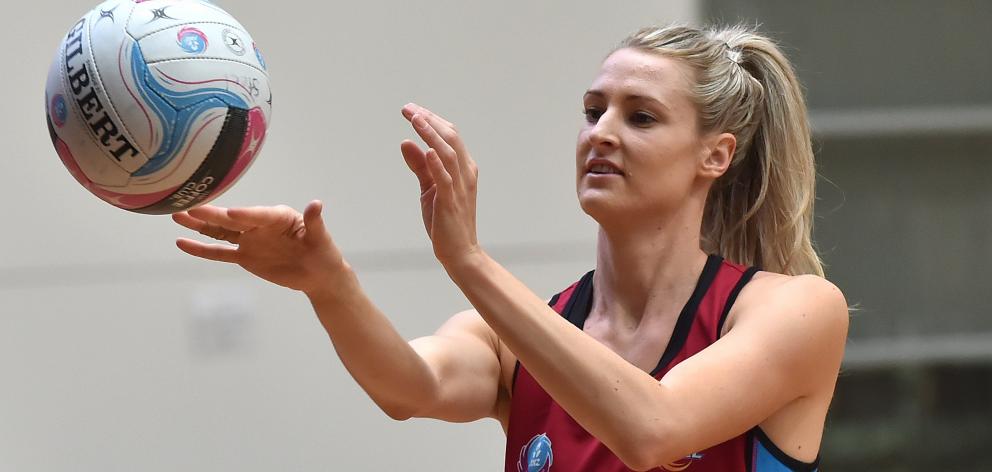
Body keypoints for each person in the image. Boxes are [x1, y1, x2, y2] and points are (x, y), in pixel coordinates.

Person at [173, 23, 848, 472]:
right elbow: (409, 385)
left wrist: (467, 259)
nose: (601, 133)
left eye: (639, 116)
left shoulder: (795, 312)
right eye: (593, 111)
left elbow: (652, 430)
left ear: (715, 155)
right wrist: (327, 283)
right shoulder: (521, 336)